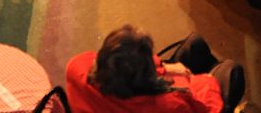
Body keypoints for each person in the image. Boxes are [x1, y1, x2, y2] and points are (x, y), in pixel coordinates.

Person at [67, 26, 245, 113]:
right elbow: (208, 104)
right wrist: (205, 80)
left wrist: (166, 67)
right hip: (193, 100)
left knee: (195, 45)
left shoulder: (77, 68)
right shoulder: (169, 104)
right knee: (231, 71)